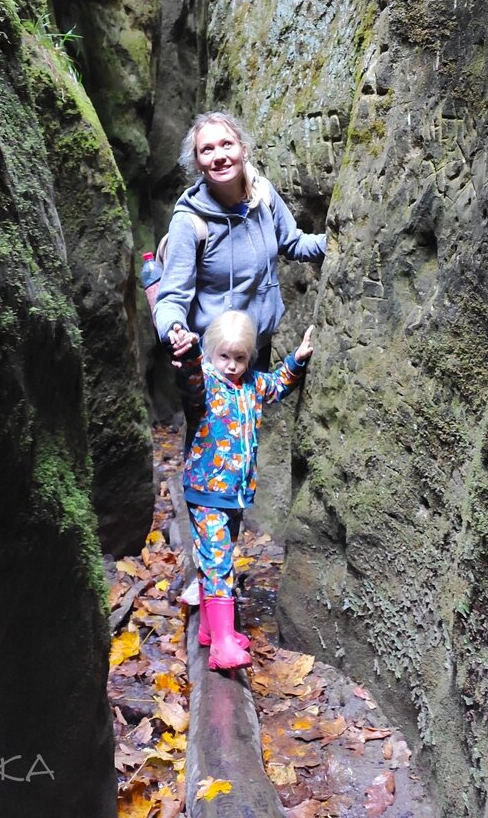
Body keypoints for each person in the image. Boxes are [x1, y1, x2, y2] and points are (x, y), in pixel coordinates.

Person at [173, 310, 314, 670]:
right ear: (209, 353)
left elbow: (278, 384)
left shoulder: (251, 383)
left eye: (240, 358)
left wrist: (296, 361)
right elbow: (191, 386)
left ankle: (209, 628)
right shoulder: (205, 379)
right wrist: (189, 358)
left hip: (235, 493)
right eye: (224, 356)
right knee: (219, 562)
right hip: (206, 490)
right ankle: (221, 644)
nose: (232, 366)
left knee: (216, 559)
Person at [153, 111, 326, 370]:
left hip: (257, 344)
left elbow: (292, 242)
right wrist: (174, 329)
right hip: (213, 354)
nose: (219, 156)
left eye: (227, 144)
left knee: (252, 410)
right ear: (198, 163)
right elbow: (172, 296)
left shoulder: (263, 195)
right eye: (207, 149)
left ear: (243, 150)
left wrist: (336, 240)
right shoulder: (190, 223)